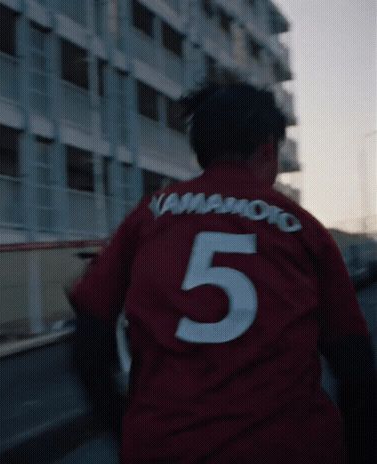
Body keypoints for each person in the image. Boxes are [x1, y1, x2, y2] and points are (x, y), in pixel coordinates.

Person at [67, 82, 376, 463]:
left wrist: (123, 424)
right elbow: (355, 363)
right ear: (268, 151)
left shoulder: (150, 216)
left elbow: (90, 332)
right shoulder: (303, 229)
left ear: (202, 152)